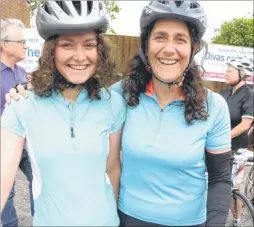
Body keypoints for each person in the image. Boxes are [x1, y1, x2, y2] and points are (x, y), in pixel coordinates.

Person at [5, 1, 232, 226]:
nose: (169, 49)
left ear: (194, 47)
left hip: (189, 222)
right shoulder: (122, 95)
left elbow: (220, 178)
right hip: (128, 219)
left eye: (180, 39)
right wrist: (25, 90)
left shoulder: (214, 106)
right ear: (146, 46)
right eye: (160, 37)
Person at [1, 1, 126, 226]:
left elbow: (112, 168)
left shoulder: (113, 103)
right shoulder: (22, 105)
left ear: (100, 50)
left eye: (89, 45)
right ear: (52, 51)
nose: (80, 56)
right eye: (67, 45)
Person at [0, 18, 34, 226]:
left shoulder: (21, 72)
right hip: (4, 146)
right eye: (21, 42)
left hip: (26, 143)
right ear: (4, 44)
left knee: (40, 181)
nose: (25, 45)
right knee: (7, 191)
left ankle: (40, 220)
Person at [220, 57, 253, 227]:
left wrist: (221, 137)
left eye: (230, 70)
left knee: (234, 185)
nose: (226, 73)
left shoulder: (249, 95)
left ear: (241, 74)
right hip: (218, 147)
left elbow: (245, 125)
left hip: (237, 148)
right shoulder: (224, 93)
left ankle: (237, 220)